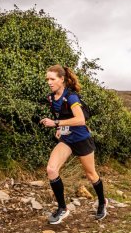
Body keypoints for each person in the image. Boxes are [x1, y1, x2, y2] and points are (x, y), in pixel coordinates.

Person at [40, 64, 107, 224]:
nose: (49, 82)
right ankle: (63, 208)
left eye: (52, 79)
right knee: (51, 169)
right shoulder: (51, 98)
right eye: (47, 79)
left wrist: (56, 123)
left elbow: (80, 120)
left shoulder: (71, 97)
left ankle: (102, 202)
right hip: (67, 140)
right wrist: (60, 128)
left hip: (82, 139)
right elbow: (64, 116)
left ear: (62, 79)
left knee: (91, 175)